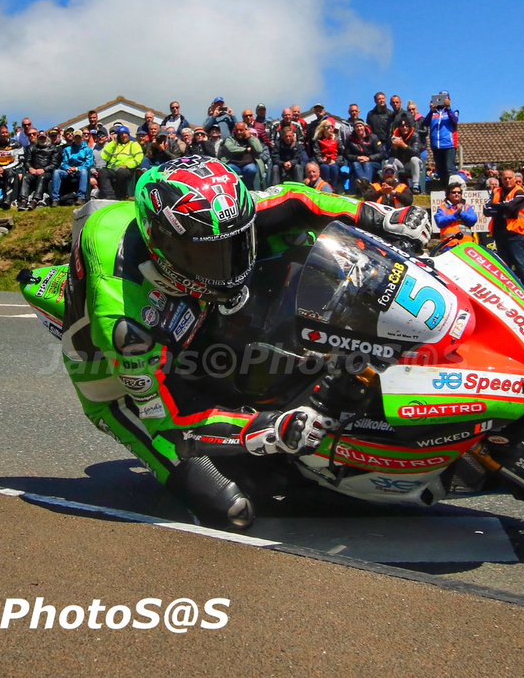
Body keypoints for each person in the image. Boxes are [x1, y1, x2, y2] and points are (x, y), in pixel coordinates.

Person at [58, 155, 430, 529]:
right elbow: (170, 418)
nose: (230, 265)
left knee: (295, 248)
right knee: (233, 510)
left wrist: (380, 216)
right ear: (163, 246)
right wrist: (263, 429)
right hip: (127, 389)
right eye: (208, 254)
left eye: (236, 245)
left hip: (196, 318)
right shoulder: (125, 324)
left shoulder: (215, 217)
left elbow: (295, 200)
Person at [484, 169, 524, 292]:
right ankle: (506, 291)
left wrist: (497, 207)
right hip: (499, 233)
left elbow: (511, 207)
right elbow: (486, 210)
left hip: (515, 234)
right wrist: (502, 207)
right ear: (501, 179)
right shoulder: (496, 191)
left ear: (515, 179)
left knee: (520, 263)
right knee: (504, 265)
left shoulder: (520, 192)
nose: (507, 180)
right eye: (505, 178)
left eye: (510, 178)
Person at [99, 125, 145, 200]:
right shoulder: (114, 145)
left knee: (121, 173)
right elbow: (104, 156)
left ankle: (120, 195)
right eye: (121, 134)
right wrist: (113, 143)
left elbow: (138, 159)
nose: (123, 136)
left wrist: (127, 165)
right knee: (102, 172)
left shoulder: (134, 145)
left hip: (127, 169)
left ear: (128, 135)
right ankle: (109, 195)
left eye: (125, 134)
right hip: (112, 168)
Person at [52, 131, 96, 205]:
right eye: (76, 137)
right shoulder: (67, 149)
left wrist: (77, 169)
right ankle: (55, 199)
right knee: (57, 172)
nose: (78, 139)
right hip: (69, 171)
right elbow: (63, 163)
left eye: (79, 137)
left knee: (84, 171)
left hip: (80, 171)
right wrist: (68, 168)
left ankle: (81, 197)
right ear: (73, 138)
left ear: (82, 138)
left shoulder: (88, 150)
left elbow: (89, 163)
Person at [20, 129, 59, 210]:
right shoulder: (32, 148)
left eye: (43, 138)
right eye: (40, 138)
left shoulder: (53, 148)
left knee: (42, 177)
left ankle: (35, 200)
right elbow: (27, 161)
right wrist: (30, 168)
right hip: (34, 171)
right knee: (25, 177)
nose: (42, 139)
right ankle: (23, 201)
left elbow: (55, 164)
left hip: (46, 172)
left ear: (46, 138)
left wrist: (44, 169)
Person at [219, 121, 265, 190]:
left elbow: (259, 150)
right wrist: (245, 150)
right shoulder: (230, 139)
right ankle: (235, 189)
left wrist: (250, 138)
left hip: (248, 165)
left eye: (241, 130)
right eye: (237, 130)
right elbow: (231, 148)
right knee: (229, 169)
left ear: (246, 130)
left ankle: (247, 189)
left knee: (251, 169)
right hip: (234, 164)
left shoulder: (252, 139)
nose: (239, 132)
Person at [427, 91, 460, 185]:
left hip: (449, 145)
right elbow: (425, 123)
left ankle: (453, 189)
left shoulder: (454, 111)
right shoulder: (433, 114)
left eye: (445, 98)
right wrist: (431, 111)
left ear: (449, 99)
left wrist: (448, 108)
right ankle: (443, 189)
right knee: (440, 170)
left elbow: (455, 121)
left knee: (450, 168)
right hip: (436, 146)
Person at [435, 181, 478, 247]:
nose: (457, 194)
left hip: (466, 244)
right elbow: (439, 222)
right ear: (448, 195)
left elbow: (473, 220)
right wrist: (455, 216)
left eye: (459, 192)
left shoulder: (466, 207)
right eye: (453, 192)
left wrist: (461, 213)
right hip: (449, 245)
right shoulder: (442, 208)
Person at [345, 122, 382, 195]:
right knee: (355, 164)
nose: (359, 128)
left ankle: (365, 186)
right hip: (357, 162)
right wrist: (357, 157)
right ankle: (366, 187)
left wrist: (369, 158)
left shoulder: (373, 137)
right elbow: (346, 154)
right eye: (357, 127)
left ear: (364, 127)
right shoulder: (350, 139)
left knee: (367, 164)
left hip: (373, 162)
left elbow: (381, 153)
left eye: (360, 126)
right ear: (354, 128)